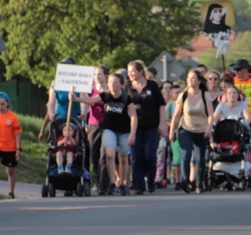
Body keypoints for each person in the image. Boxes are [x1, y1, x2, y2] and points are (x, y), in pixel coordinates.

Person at [72, 73, 138, 196]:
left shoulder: (126, 98)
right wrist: (76, 99)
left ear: (120, 84)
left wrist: (132, 134)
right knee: (109, 155)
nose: (113, 85)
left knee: (123, 158)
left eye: (115, 82)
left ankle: (123, 184)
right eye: (111, 82)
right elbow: (91, 100)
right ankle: (112, 183)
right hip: (109, 129)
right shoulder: (106, 95)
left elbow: (134, 115)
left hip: (124, 131)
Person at [169, 69, 214, 194]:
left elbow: (210, 114)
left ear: (199, 81)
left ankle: (199, 183)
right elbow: (176, 115)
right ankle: (185, 181)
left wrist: (209, 128)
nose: (190, 81)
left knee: (200, 158)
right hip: (186, 128)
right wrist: (172, 131)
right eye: (189, 78)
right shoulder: (183, 95)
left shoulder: (205, 95)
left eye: (193, 78)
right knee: (186, 153)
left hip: (202, 129)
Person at [126, 60, 167, 194]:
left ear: (140, 71)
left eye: (133, 71)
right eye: (129, 72)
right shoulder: (128, 87)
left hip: (151, 126)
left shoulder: (152, 86)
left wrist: (162, 123)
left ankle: (150, 180)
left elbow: (161, 104)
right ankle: (138, 185)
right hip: (135, 126)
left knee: (149, 154)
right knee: (136, 156)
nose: (130, 74)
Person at [0, 92, 22, 199]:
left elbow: (17, 134)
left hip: (10, 148)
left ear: (7, 103)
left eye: (2, 104)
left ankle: (11, 192)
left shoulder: (13, 117)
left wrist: (18, 149)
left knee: (10, 171)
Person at [86, 65, 109, 193]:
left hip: (107, 125)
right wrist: (84, 120)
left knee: (104, 155)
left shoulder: (110, 89)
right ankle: (96, 179)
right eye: (95, 74)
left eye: (100, 74)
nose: (97, 77)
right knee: (94, 157)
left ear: (106, 75)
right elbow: (85, 103)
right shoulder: (90, 89)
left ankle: (103, 185)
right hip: (93, 124)